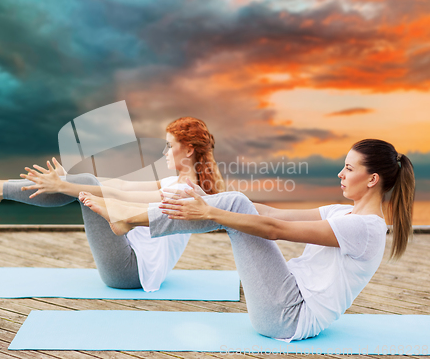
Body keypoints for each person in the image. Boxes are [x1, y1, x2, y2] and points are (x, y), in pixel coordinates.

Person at [80, 139, 415, 341]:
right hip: (284, 301)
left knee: (232, 205)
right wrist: (210, 200)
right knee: (231, 200)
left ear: (372, 178)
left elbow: (274, 230)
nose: (340, 174)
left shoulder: (366, 228)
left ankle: (128, 218)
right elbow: (275, 213)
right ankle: (130, 217)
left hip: (290, 316)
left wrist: (212, 213)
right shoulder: (342, 213)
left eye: (348, 168)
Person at [0, 117, 225, 292]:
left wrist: (68, 186)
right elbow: (123, 186)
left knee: (81, 183)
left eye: (169, 146)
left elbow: (123, 198)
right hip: (133, 264)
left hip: (128, 273)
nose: (164, 152)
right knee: (84, 180)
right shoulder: (175, 182)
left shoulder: (186, 191)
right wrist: (69, 182)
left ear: (188, 149)